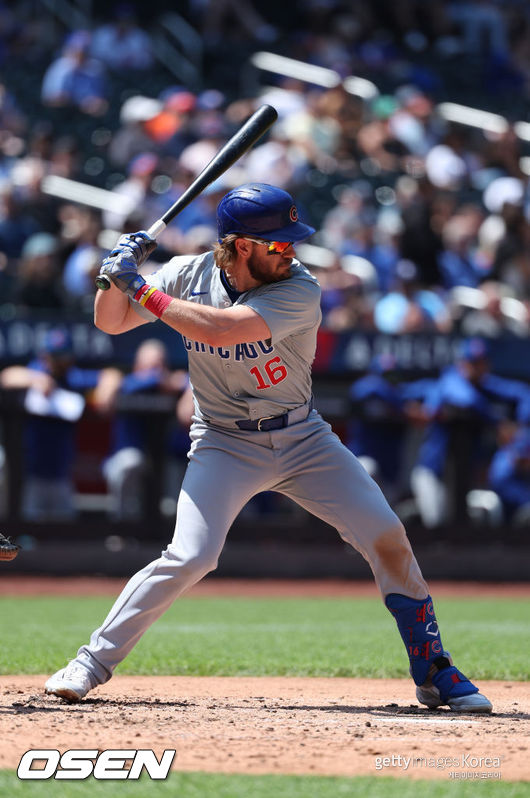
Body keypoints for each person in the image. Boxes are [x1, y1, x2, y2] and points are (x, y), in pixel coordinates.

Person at [45, 183, 492, 713]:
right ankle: (90, 663)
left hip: (304, 438)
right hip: (224, 441)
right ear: (240, 245)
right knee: (191, 555)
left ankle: (433, 669)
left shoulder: (299, 288)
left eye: (290, 241)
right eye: (277, 243)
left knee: (386, 535)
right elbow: (109, 320)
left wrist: (139, 288)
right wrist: (111, 272)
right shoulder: (187, 274)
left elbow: (225, 331)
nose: (291, 251)